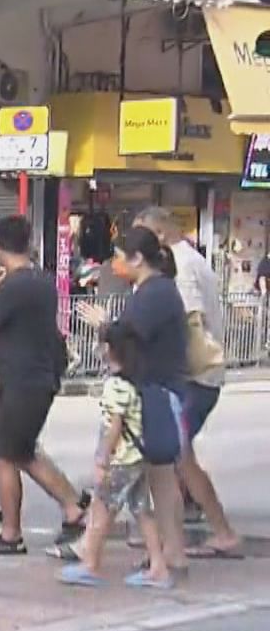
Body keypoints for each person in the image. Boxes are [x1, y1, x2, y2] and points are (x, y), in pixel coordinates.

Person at [0, 215, 87, 556]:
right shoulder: (43, 280)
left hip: (21, 381)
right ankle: (74, 509)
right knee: (24, 451)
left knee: (4, 456)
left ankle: (10, 533)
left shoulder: (13, 285)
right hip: (36, 377)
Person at [83, 228, 189, 588]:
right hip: (155, 393)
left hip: (151, 395)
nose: (114, 264)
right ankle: (166, 553)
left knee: (118, 481)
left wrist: (105, 326)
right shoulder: (154, 291)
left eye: (118, 255)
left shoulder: (154, 294)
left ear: (137, 258)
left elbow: (128, 337)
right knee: (151, 484)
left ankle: (92, 556)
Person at [133, 207, 241, 560]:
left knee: (175, 457)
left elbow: (190, 320)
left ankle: (213, 532)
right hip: (196, 375)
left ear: (160, 234)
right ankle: (170, 533)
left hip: (192, 376)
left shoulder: (179, 267)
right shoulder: (191, 259)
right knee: (176, 457)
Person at [57, 322, 151, 587]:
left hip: (121, 459)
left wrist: (102, 459)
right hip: (139, 456)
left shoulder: (116, 385)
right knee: (142, 510)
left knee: (100, 508)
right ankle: (158, 566)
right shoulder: (137, 380)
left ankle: (91, 563)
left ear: (109, 349)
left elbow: (114, 426)